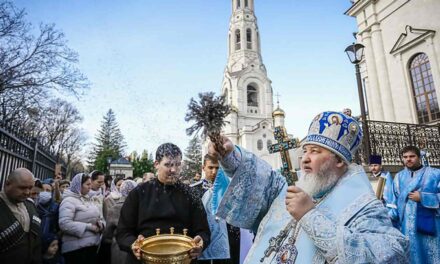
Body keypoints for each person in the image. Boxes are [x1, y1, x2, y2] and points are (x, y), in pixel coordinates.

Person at [208, 111, 408, 263]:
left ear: (338, 161)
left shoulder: (363, 207)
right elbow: (260, 181)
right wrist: (229, 156)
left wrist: (310, 216)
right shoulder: (290, 190)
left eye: (315, 151)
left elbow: (392, 252)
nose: (304, 159)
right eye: (304, 151)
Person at [117, 142, 210, 264]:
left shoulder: (191, 194)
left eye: (177, 164)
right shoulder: (139, 193)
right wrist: (133, 244)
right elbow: (123, 232)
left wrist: (200, 243)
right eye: (168, 165)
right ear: (156, 164)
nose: (174, 170)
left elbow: (203, 231)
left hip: (182, 259)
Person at [388, 146, 440, 263]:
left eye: (412, 156)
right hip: (407, 227)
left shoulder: (435, 174)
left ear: (419, 157)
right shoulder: (399, 177)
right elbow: (394, 202)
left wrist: (423, 197)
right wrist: (388, 218)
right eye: (405, 157)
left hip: (431, 226)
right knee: (412, 256)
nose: (408, 159)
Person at [58, 173, 105, 264]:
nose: (90, 187)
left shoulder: (88, 199)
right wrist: (88, 227)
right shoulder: (69, 201)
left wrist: (101, 224)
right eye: (87, 184)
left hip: (91, 246)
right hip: (76, 249)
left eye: (90, 184)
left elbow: (98, 216)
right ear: (79, 185)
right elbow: (64, 223)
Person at [0, 168, 42, 264]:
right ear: (7, 184)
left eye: (30, 188)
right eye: (22, 188)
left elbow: (37, 241)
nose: (27, 192)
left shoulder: (30, 205)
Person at [103, 180, 137, 264]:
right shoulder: (140, 206)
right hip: (136, 246)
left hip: (118, 247)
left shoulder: (115, 209)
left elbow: (108, 233)